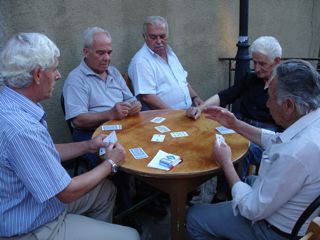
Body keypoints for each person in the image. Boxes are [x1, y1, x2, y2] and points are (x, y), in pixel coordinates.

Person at [0, 32, 140, 240]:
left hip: (38, 200)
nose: (58, 75)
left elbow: (44, 151)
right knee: (131, 236)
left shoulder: (12, 104)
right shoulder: (22, 129)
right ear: (38, 75)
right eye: (54, 69)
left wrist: (88, 145)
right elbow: (67, 192)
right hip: (33, 225)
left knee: (106, 190)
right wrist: (111, 163)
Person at [186, 59, 320, 240]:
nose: (267, 105)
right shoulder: (312, 122)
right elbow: (274, 140)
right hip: (294, 211)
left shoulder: (296, 153)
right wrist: (234, 124)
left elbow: (251, 209)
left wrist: (226, 163)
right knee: (249, 179)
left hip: (272, 230)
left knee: (193, 216)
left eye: (271, 98)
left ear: (289, 105)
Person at [187, 36, 283, 203]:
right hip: (239, 127)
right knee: (214, 138)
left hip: (266, 136)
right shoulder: (251, 79)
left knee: (239, 150)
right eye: (255, 62)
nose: (257, 68)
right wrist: (199, 108)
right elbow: (225, 95)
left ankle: (230, 196)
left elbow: (279, 134)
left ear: (277, 61)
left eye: (262, 64)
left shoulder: (284, 87)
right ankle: (204, 188)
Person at [63, 27, 142, 167]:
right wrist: (110, 114)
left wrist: (135, 106)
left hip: (122, 129)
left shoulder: (114, 72)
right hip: (92, 136)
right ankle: (120, 188)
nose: (107, 58)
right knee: (123, 158)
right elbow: (78, 121)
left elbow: (132, 101)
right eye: (100, 53)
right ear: (86, 52)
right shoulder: (76, 79)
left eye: (109, 52)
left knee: (148, 144)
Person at [128, 15, 203, 110]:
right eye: (153, 37)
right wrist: (174, 114)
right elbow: (147, 97)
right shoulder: (141, 61)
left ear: (167, 35)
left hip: (188, 111)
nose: (159, 41)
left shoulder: (170, 53)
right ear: (145, 37)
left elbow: (182, 81)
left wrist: (195, 97)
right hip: (165, 117)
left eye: (162, 36)